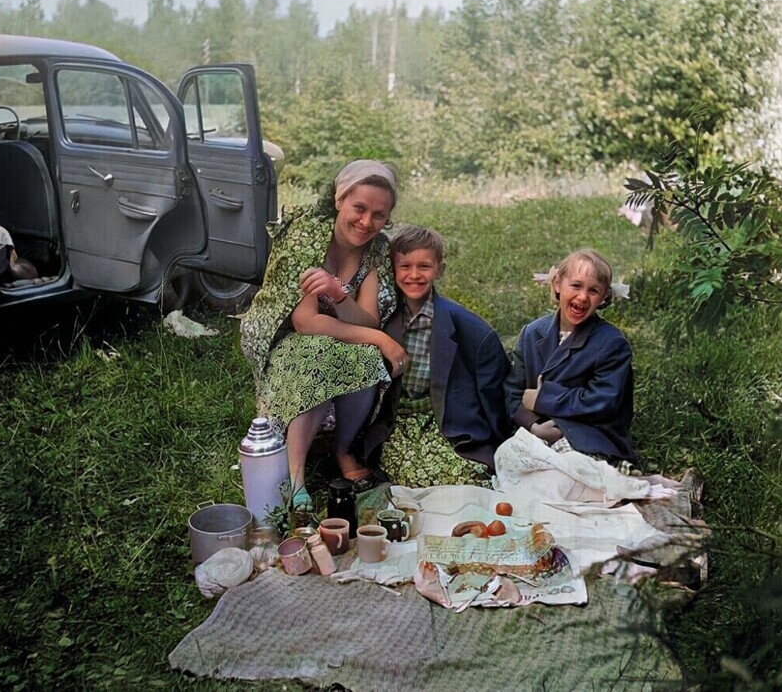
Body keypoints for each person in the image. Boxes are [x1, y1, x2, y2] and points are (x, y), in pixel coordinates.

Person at [240, 160, 408, 511]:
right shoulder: (309, 236)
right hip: (284, 333)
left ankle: (344, 448)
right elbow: (305, 322)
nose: (366, 222)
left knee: (363, 357)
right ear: (338, 199)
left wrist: (340, 295)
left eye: (378, 214)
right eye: (358, 208)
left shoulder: (376, 250)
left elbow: (368, 319)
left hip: (334, 334)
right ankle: (295, 474)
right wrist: (380, 339)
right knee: (317, 352)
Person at [364, 225, 511, 487]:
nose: (414, 275)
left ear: (439, 270)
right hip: (398, 422)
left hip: (445, 423)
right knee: (411, 475)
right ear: (392, 268)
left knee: (467, 476)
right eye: (405, 266)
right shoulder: (383, 317)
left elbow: (493, 393)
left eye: (424, 266)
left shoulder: (470, 330)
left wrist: (498, 443)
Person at [503, 248, 638, 473]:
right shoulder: (532, 333)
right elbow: (511, 391)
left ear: (604, 298)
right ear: (558, 284)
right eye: (576, 286)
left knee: (568, 472)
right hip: (539, 431)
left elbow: (602, 403)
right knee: (511, 468)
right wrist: (533, 425)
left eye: (593, 291)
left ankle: (617, 474)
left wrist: (543, 399)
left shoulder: (611, 343)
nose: (583, 297)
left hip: (589, 435)